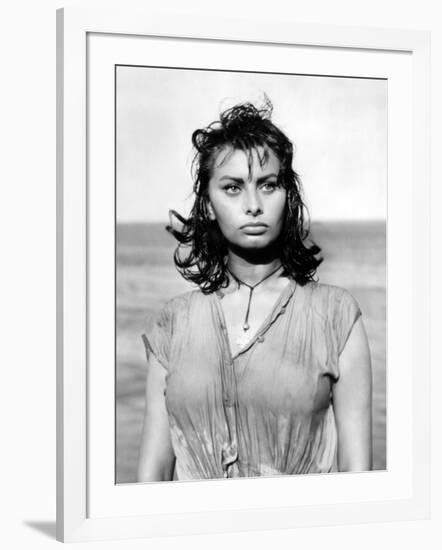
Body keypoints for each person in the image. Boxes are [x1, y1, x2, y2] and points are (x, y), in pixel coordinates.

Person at [138, 98, 372, 482]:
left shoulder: (336, 315)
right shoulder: (174, 322)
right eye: (232, 188)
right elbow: (152, 476)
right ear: (209, 205)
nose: (253, 205)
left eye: (268, 185)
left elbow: (358, 475)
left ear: (287, 196)